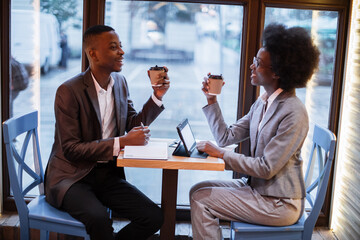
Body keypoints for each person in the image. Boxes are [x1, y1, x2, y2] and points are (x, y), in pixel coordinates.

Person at [189, 23, 320, 240]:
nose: (251, 66)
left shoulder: (294, 112)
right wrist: (211, 99)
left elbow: (267, 168)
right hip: (258, 189)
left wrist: (221, 153)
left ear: (277, 72)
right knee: (197, 189)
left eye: (258, 63)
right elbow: (225, 137)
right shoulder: (263, 102)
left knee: (202, 199)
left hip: (280, 203)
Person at [44, 25, 170, 240]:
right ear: (93, 53)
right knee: (100, 219)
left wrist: (157, 96)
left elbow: (132, 123)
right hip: (71, 177)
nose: (121, 51)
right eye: (113, 47)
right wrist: (121, 142)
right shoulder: (68, 91)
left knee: (153, 216)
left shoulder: (119, 82)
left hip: (105, 175)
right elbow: (72, 149)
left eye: (120, 46)